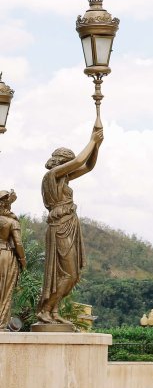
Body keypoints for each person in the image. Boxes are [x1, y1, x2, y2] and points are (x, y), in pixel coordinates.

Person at [35, 125, 103, 326]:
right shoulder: (52, 176)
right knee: (69, 274)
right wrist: (91, 140)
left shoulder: (63, 179)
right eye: (68, 163)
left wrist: (97, 145)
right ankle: (45, 309)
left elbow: (88, 166)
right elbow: (80, 160)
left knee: (72, 276)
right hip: (60, 227)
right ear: (62, 163)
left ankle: (54, 311)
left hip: (69, 225)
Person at [0, 190, 25, 331]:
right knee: (5, 290)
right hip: (5, 255)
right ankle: (1, 322)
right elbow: (18, 244)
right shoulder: (12, 222)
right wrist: (22, 260)